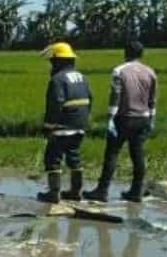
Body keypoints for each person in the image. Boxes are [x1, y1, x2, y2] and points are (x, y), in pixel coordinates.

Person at [83, 41, 158, 202]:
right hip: (143, 118)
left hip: (124, 118)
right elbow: (153, 99)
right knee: (137, 154)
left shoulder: (119, 71)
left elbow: (115, 96)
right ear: (141, 54)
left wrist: (110, 118)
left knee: (112, 154)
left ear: (125, 53)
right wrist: (152, 118)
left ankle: (102, 191)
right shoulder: (150, 72)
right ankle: (136, 191)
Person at [37, 42, 93, 203]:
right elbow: (90, 99)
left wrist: (48, 126)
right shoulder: (82, 77)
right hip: (79, 126)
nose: (51, 65)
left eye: (52, 62)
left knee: (52, 158)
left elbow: (55, 104)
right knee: (74, 156)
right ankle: (76, 192)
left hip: (62, 126)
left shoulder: (57, 79)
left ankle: (53, 194)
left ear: (58, 61)